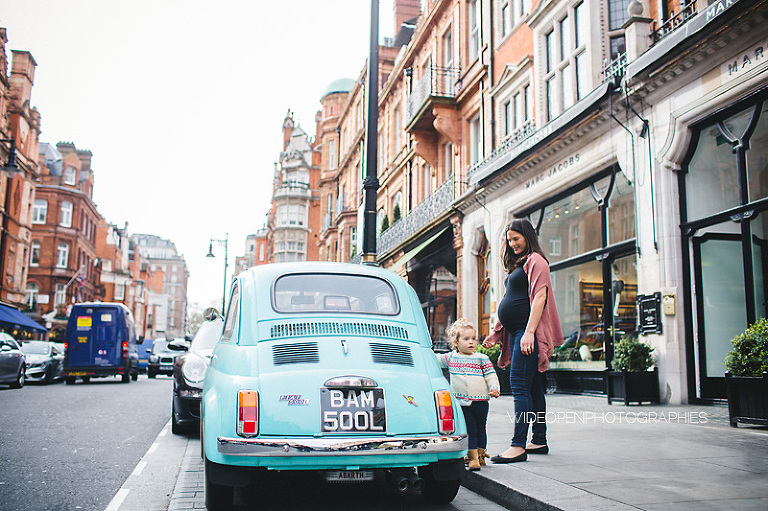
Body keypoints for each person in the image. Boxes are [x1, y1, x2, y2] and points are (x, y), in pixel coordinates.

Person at [484, 218, 563, 463]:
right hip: (518, 332)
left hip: (526, 334)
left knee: (519, 386)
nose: (512, 244)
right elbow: (512, 298)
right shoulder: (521, 264)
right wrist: (497, 331)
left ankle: (518, 446)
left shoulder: (537, 261)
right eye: (509, 240)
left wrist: (529, 333)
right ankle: (539, 439)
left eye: (516, 238)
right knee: (534, 389)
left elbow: (540, 298)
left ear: (527, 236)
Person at [436, 318, 500, 471]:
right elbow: (434, 359)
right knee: (470, 429)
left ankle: (481, 454)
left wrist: (494, 387)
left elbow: (490, 375)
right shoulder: (451, 358)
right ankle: (472, 458)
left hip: (481, 401)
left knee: (481, 428)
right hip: (463, 403)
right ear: (456, 342)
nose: (471, 342)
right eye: (466, 339)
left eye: (473, 339)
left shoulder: (481, 358)